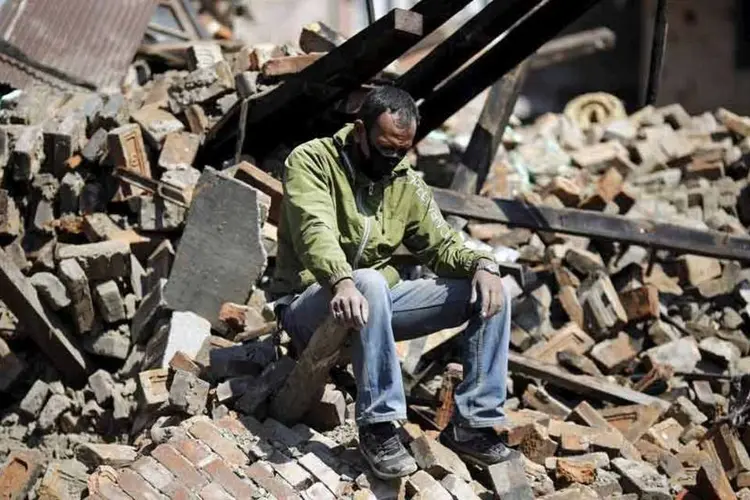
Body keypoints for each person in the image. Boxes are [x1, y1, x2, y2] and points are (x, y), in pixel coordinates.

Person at [272, 86, 518, 479]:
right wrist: (342, 281)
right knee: (368, 281)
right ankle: (378, 427)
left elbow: (443, 244)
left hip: (374, 304)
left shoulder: (404, 181)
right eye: (385, 149)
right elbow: (313, 229)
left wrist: (483, 264)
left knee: (492, 292)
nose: (392, 161)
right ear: (359, 132)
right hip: (310, 303)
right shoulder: (313, 161)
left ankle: (472, 425)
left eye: (401, 152)